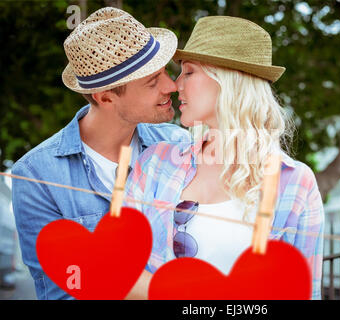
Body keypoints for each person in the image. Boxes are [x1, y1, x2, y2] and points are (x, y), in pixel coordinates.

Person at [124, 16, 324, 299]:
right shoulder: (155, 164)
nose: (175, 84)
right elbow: (120, 272)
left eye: (189, 72)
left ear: (227, 80)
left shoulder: (296, 183)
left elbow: (304, 292)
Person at [11, 7, 189, 300]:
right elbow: (64, 292)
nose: (172, 85)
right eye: (152, 81)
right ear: (105, 97)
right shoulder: (36, 177)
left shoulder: (178, 146)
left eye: (165, 72)